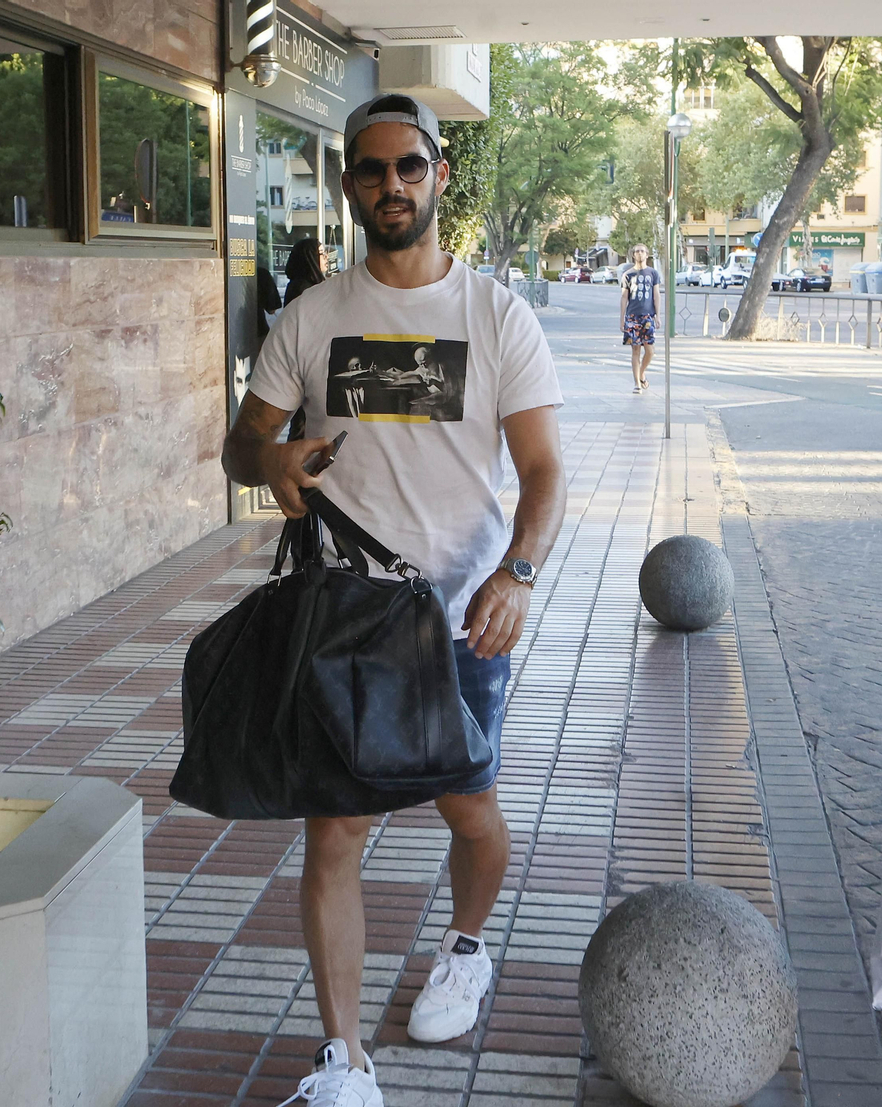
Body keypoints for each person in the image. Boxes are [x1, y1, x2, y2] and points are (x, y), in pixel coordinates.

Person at [222, 92, 566, 1107]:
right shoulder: (311, 317)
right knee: (337, 829)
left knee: (471, 810)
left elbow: (543, 470)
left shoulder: (495, 316)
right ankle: (345, 1060)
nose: (392, 185)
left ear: (438, 175)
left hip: (460, 615)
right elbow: (242, 444)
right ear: (348, 186)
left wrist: (517, 572)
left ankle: (465, 946)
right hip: (344, 611)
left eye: (409, 166)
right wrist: (269, 458)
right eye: (372, 170)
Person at [618, 244, 659, 394]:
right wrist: (622, 319)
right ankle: (637, 383)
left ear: (647, 255)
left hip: (648, 316)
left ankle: (641, 373)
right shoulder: (627, 275)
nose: (640, 254)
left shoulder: (653, 273)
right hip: (632, 316)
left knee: (650, 350)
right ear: (633, 255)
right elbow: (624, 297)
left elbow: (656, 295)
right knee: (635, 349)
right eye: (637, 251)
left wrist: (658, 315)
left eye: (642, 251)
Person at [285, 238, 327, 306]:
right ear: (310, 257)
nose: (326, 257)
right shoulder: (303, 289)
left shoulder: (311, 283)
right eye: (321, 253)